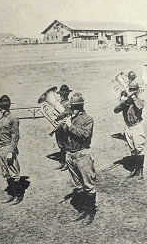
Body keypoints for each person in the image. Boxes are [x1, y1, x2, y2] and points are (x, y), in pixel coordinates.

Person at [63, 93, 96, 225]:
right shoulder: (70, 117)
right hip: (70, 154)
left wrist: (71, 125)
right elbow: (63, 136)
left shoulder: (88, 119)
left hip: (82, 154)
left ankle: (90, 212)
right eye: (72, 107)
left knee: (88, 185)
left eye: (75, 107)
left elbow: (85, 135)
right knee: (78, 185)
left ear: (81, 107)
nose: (73, 110)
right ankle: (83, 210)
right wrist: (63, 126)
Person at [0, 95, 25, 204]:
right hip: (2, 148)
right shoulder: (2, 118)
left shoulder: (12, 119)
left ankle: (19, 195)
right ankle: (12, 194)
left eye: (4, 105)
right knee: (6, 173)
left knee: (14, 173)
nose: (2, 107)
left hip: (8, 148)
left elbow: (15, 136)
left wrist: (11, 151)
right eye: (2, 105)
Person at [114, 82, 146, 178]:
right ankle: (134, 169)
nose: (131, 92)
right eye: (130, 90)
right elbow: (115, 110)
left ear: (136, 91)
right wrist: (123, 101)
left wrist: (133, 98)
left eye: (133, 90)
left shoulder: (139, 100)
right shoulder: (125, 102)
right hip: (128, 127)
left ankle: (140, 170)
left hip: (137, 127)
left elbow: (140, 106)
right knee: (132, 149)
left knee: (139, 149)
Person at [54, 84, 72, 171]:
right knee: (60, 145)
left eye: (64, 94)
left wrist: (59, 116)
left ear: (67, 94)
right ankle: (62, 162)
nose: (62, 95)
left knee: (66, 145)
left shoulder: (69, 103)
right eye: (61, 93)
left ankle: (67, 163)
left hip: (65, 127)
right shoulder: (59, 103)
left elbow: (67, 112)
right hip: (58, 127)